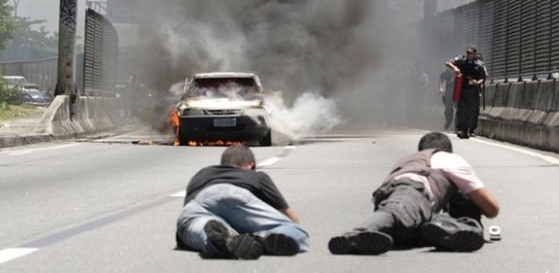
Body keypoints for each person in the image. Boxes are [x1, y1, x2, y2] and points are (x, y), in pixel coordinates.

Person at [328, 132, 500, 255]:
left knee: (405, 227)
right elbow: (492, 208)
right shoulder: (449, 159)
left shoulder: (407, 160)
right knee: (396, 211)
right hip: (410, 193)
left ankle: (445, 228)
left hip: (396, 196)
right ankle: (357, 234)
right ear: (448, 151)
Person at [176, 144, 310, 259]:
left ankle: (221, 240)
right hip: (237, 195)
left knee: (199, 227)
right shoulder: (256, 176)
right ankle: (260, 239)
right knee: (298, 234)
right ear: (251, 165)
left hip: (201, 202)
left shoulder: (203, 173)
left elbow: (186, 214)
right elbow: (292, 218)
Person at [445, 45, 486, 139]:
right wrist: (454, 68)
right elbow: (447, 63)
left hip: (473, 91)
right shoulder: (461, 60)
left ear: (475, 54)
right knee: (461, 109)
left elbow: (482, 78)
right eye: (467, 52)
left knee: (471, 111)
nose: (468, 54)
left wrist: (477, 82)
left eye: (470, 53)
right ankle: (461, 129)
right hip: (462, 89)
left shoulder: (479, 65)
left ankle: (468, 129)